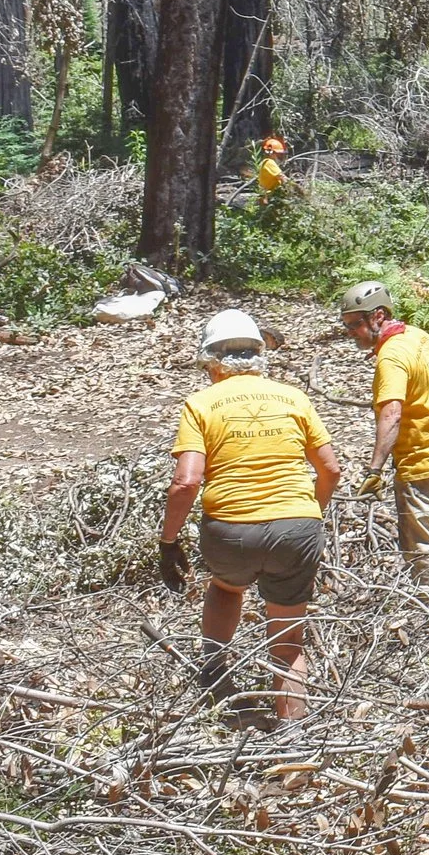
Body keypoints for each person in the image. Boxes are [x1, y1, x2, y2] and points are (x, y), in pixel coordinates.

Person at [159, 309, 341, 723]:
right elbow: (330, 469)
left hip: (230, 530)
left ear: (212, 362)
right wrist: (307, 515)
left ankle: (214, 671)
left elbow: (186, 483)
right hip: (298, 526)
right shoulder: (294, 398)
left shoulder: (201, 404)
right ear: (260, 356)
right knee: (288, 640)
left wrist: (168, 542)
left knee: (226, 588)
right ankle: (293, 738)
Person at [340, 280, 429, 588]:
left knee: (419, 549)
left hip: (418, 464)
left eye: (355, 324)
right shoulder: (417, 336)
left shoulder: (391, 357)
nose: (351, 332)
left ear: (378, 316)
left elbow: (391, 414)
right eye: (347, 325)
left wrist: (375, 470)